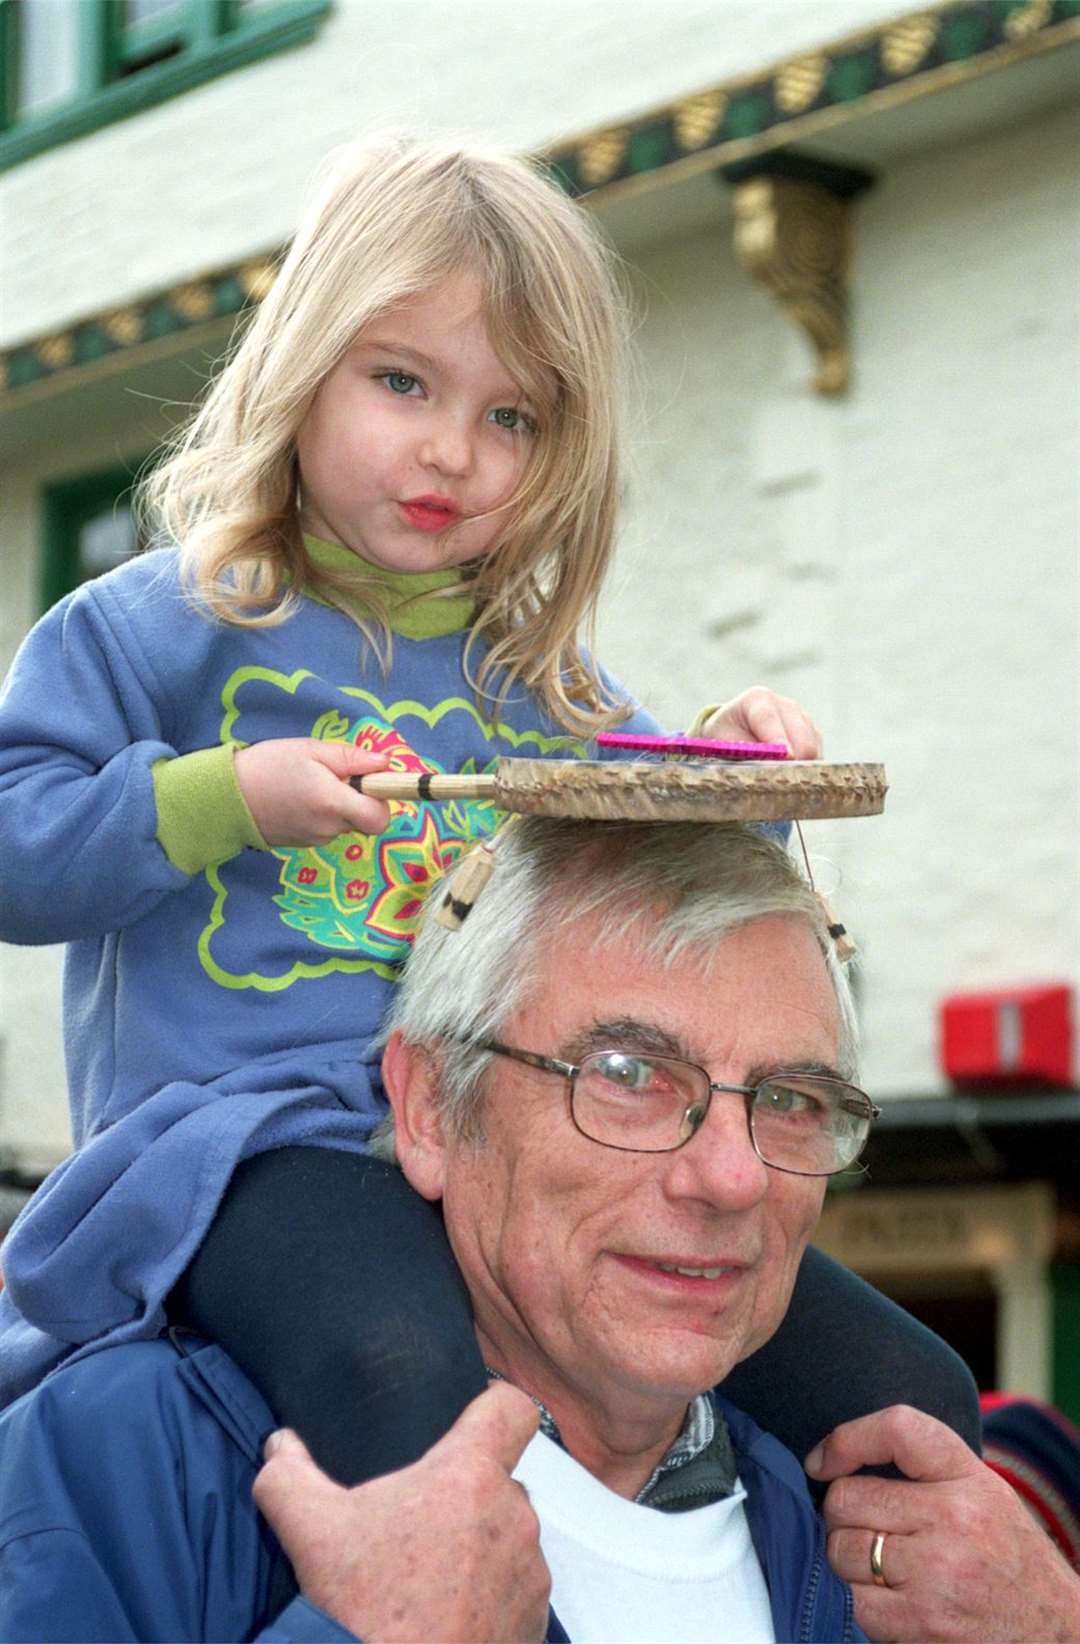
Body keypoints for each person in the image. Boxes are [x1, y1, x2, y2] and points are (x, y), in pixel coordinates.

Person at [0, 131, 933, 1501]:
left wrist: (741, 786)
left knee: (919, 1393)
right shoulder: (157, 628)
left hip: (514, 1162)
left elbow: (660, 895)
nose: (453, 450)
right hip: (243, 1155)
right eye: (401, 382)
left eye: (514, 418)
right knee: (401, 1369)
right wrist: (224, 797)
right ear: (302, 366)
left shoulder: (552, 688)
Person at [2, 819, 1075, 1644]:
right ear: (429, 1108)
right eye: (628, 1077)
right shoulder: (135, 1463)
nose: (734, 1175)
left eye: (792, 1099)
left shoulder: (890, 1558)